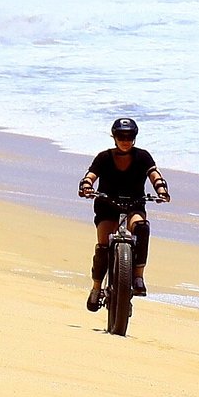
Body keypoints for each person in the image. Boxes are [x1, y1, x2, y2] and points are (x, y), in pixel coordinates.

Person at [77, 118, 171, 309]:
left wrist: (161, 190)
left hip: (134, 205)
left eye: (129, 136)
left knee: (142, 228)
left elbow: (155, 175)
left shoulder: (143, 157)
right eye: (121, 136)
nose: (125, 140)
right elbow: (91, 175)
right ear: (114, 137)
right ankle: (96, 288)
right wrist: (86, 186)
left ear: (135, 137)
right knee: (103, 246)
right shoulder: (103, 157)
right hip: (107, 205)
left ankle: (138, 277)